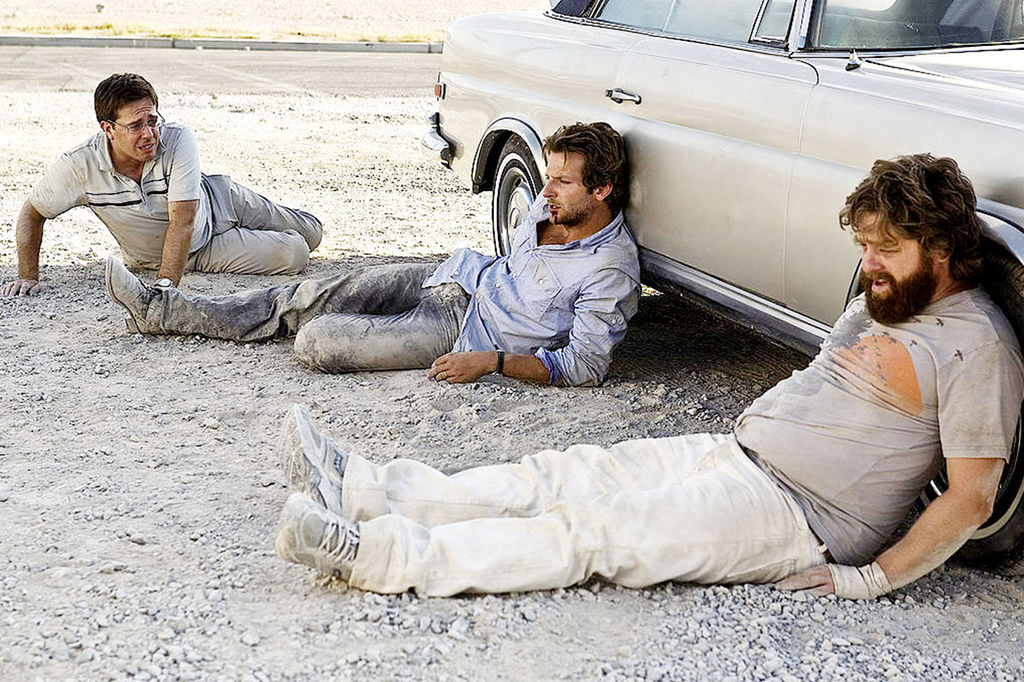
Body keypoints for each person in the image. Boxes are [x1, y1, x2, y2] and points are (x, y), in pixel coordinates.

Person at [271, 153, 1024, 599]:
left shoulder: (978, 348)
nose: (869, 267)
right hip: (735, 451)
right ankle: (367, 490)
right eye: (864, 247)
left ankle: (377, 557)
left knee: (596, 533)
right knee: (557, 475)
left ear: (946, 247)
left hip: (799, 517)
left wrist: (872, 580)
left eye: (887, 251)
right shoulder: (890, 295)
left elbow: (971, 496)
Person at [103, 121, 640, 387]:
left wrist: (492, 362)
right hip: (452, 279)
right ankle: (161, 310)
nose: (545, 193)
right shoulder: (549, 210)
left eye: (562, 183)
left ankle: (286, 323)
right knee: (305, 293)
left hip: (464, 335)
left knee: (317, 340)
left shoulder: (610, 269)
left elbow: (586, 366)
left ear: (601, 190)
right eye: (548, 178)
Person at [1, 73, 323, 297]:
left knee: (312, 233)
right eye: (136, 125)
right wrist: (28, 276)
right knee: (294, 253)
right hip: (199, 251)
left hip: (218, 199)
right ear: (108, 128)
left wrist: (165, 286)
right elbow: (32, 212)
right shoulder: (79, 164)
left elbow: (183, 219)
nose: (149, 134)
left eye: (152, 121)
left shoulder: (178, 137)